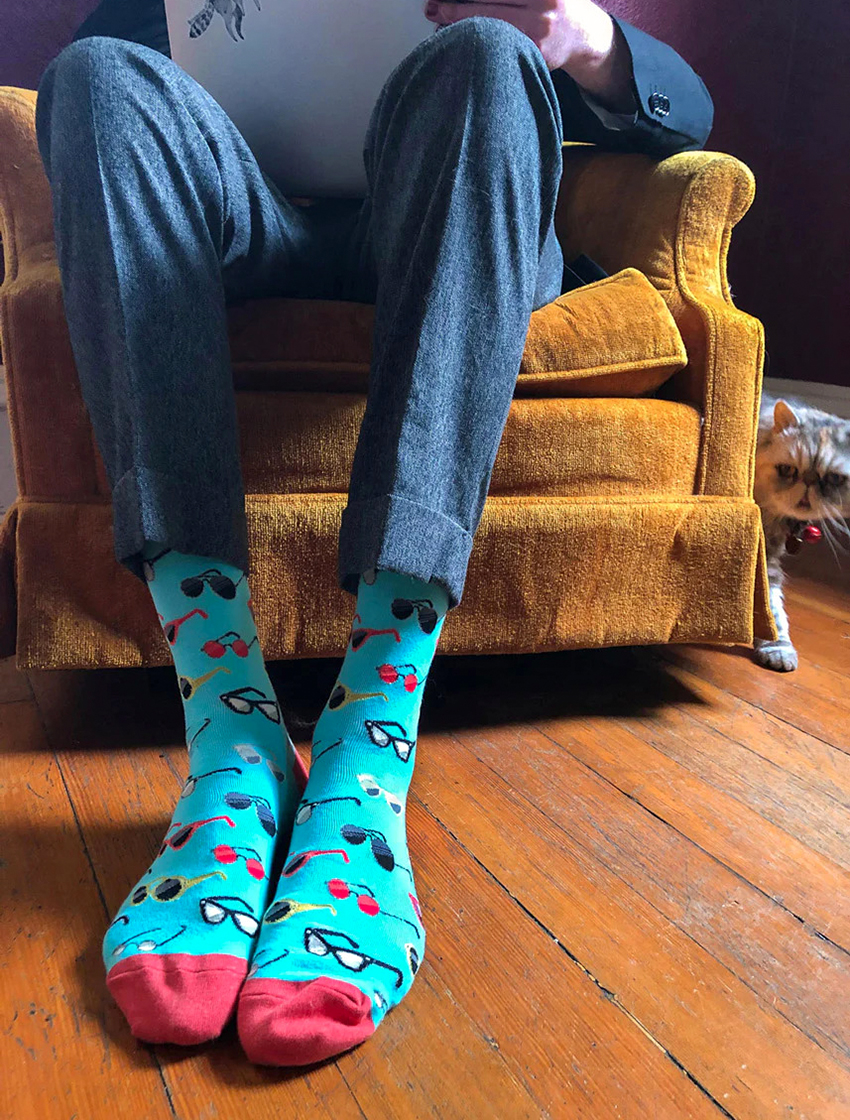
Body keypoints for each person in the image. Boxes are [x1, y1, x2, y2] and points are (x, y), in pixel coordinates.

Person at [35, 0, 713, 1066]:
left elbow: (686, 116)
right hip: (245, 214)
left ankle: (364, 758)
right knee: (98, 80)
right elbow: (104, 75)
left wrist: (584, 36)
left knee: (489, 56)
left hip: (443, 205)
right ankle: (235, 739)